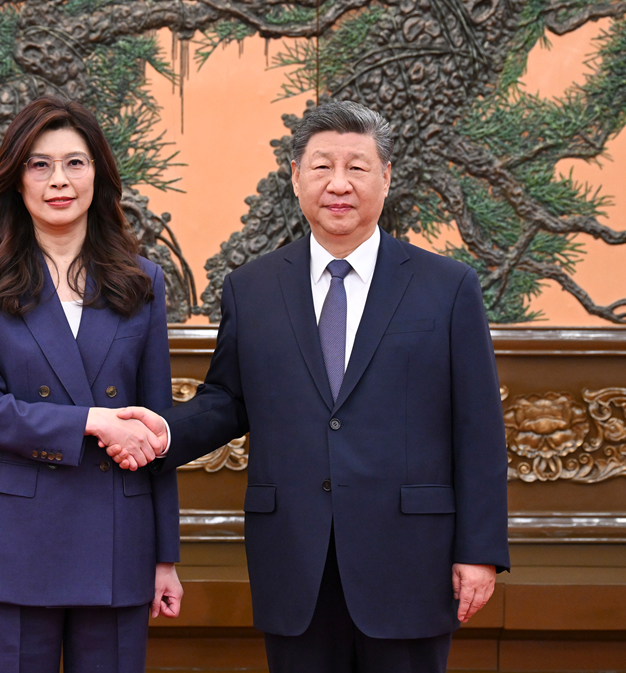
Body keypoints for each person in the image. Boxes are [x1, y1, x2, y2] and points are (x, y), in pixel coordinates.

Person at [111, 100, 510, 673]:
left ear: (386, 177)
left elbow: (478, 428)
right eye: (322, 167)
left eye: (357, 167)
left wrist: (479, 552)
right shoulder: (252, 288)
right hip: (294, 556)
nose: (339, 184)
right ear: (296, 177)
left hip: (410, 560)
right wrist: (162, 433)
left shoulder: (447, 287)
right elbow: (228, 400)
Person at [0, 96, 182, 673]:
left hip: (118, 539)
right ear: (16, 179)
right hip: (13, 542)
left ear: (98, 176)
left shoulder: (142, 281)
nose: (59, 180)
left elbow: (155, 427)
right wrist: (93, 421)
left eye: (75, 163)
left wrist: (165, 557)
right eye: (39, 164)